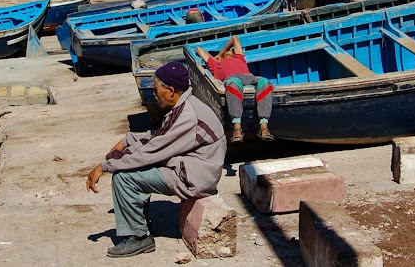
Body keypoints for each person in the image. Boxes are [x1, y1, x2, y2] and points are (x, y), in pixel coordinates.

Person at [86, 62, 226, 258]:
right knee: (137, 164)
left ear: (170, 90)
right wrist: (128, 140)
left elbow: (151, 150)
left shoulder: (187, 115)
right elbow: (161, 136)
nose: (154, 93)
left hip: (196, 178)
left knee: (123, 177)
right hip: (192, 167)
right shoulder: (185, 104)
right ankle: (139, 221)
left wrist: (104, 166)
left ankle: (138, 237)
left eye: (156, 88)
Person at [195, 36, 274, 143]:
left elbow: (234, 39)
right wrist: (217, 57)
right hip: (232, 79)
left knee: (265, 82)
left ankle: (263, 127)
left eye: (231, 51)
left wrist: (222, 52)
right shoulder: (216, 64)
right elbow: (198, 49)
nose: (229, 52)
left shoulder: (239, 58)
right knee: (233, 85)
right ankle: (237, 128)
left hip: (249, 77)